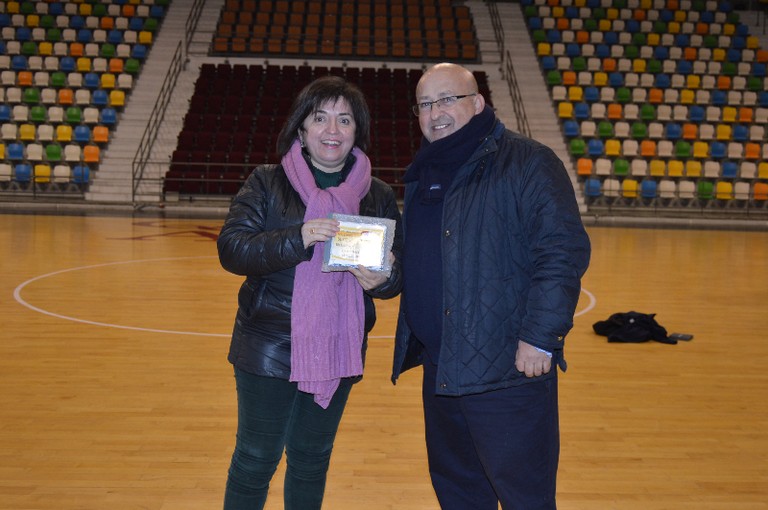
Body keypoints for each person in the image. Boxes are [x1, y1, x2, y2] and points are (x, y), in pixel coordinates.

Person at [391, 63, 591, 509]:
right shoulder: (424, 174)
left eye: (447, 99)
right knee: (459, 493)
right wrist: (385, 273)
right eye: (425, 104)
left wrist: (541, 337)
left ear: (478, 102)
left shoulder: (528, 161)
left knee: (524, 495)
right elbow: (424, 260)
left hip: (507, 371)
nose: (435, 112)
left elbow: (562, 252)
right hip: (441, 368)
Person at [218, 75, 403, 510]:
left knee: (311, 460)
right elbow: (232, 249)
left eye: (344, 120)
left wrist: (387, 280)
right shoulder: (266, 181)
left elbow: (396, 273)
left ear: (358, 132)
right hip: (268, 344)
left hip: (340, 346)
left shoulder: (377, 196)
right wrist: (296, 237)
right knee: (255, 459)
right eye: (320, 118)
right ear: (301, 127)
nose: (332, 131)